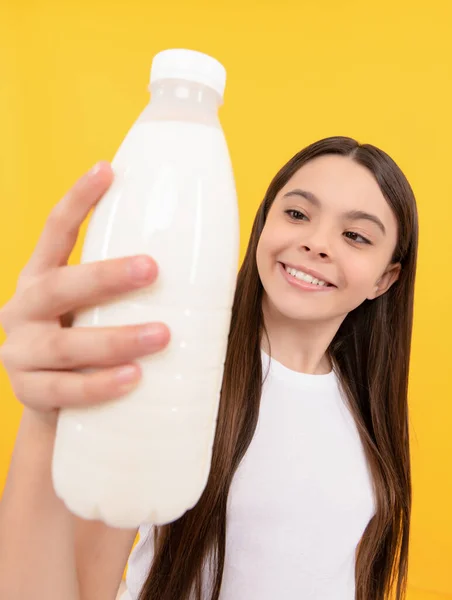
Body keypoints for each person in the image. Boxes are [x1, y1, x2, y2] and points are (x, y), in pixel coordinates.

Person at [0, 136, 418, 600]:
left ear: (384, 279)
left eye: (356, 236)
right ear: (262, 225)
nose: (316, 243)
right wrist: (43, 418)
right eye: (297, 214)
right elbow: (80, 589)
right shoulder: (176, 375)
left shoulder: (364, 405)